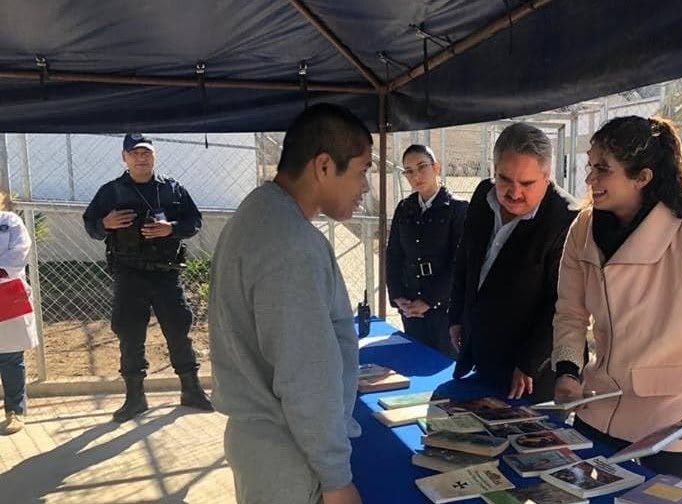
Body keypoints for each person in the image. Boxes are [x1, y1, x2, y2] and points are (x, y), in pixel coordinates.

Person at [552, 116, 682, 480]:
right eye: (590, 166)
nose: (589, 179)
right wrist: (568, 370)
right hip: (596, 404)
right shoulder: (582, 228)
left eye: (602, 169)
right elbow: (569, 311)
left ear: (642, 177)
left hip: (668, 422)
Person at [209, 103, 371, 504]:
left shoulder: (259, 214)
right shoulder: (290, 245)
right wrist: (336, 479)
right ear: (323, 167)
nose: (365, 186)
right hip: (290, 461)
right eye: (363, 170)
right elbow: (304, 376)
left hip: (269, 450)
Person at [82, 133, 211, 423]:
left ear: (155, 155)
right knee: (129, 333)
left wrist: (171, 228)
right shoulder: (111, 192)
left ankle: (191, 390)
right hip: (129, 274)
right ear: (124, 157)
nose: (141, 158)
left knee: (179, 328)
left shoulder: (172, 189)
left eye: (146, 153)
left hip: (166, 273)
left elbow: (195, 221)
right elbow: (91, 224)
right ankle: (135, 399)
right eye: (135, 153)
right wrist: (106, 223)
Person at [449, 123, 578, 402]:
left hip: (531, 377)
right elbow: (465, 260)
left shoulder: (567, 219)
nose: (513, 193)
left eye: (527, 183)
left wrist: (529, 362)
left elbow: (561, 304)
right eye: (504, 179)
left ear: (547, 176)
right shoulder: (483, 197)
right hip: (479, 358)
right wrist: (456, 315)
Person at [387, 145, 467, 358]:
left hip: (445, 309)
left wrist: (430, 301)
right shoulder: (405, 208)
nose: (416, 176)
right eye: (409, 171)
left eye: (422, 167)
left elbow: (459, 263)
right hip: (411, 307)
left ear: (436, 168)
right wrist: (397, 295)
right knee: (415, 360)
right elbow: (394, 254)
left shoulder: (457, 209)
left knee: (444, 366)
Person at [0, 193, 37, 436]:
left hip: (6, 293)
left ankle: (15, 410)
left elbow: (20, 251)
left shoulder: (10, 221)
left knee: (11, 357)